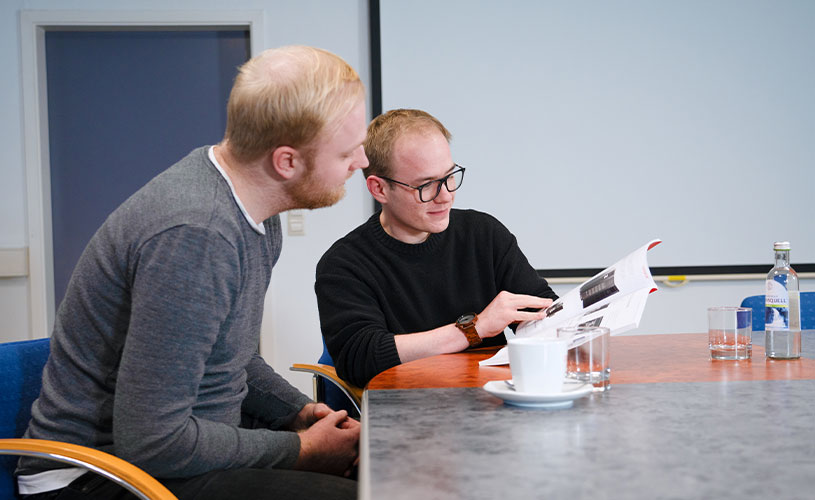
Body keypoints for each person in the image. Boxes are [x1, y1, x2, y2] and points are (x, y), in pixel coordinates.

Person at [16, 46, 369, 500]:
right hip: (96, 476)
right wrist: (300, 450)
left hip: (179, 453)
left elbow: (231, 356)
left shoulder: (256, 211)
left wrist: (302, 415)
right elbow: (153, 443)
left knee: (385, 475)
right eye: (347, 152)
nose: (361, 162)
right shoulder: (197, 235)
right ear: (287, 161)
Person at [315, 109, 557, 389]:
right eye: (426, 185)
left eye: (449, 176)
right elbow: (360, 358)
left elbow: (539, 309)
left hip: (490, 400)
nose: (446, 196)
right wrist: (474, 329)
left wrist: (574, 318)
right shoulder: (344, 264)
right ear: (379, 189)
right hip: (407, 413)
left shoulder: (484, 234)